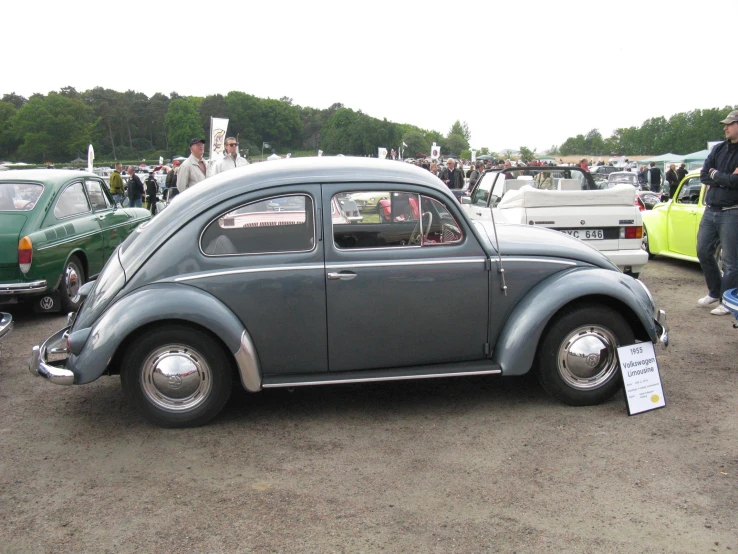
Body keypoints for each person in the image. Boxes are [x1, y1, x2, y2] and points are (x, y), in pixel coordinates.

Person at [695, 110, 738, 316]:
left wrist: (717, 175)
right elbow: (704, 175)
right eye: (725, 124)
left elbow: (736, 182)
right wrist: (724, 177)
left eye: (730, 124)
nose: (725, 127)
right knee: (703, 251)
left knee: (730, 260)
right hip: (711, 210)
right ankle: (714, 291)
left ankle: (727, 301)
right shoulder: (719, 149)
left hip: (732, 212)